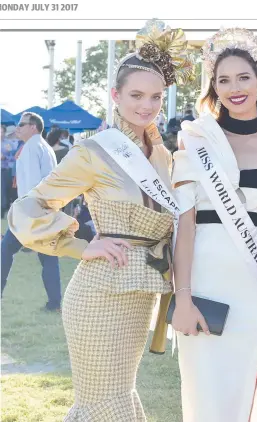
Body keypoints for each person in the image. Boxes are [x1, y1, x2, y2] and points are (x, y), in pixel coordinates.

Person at [7, 19, 194, 421]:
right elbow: (29, 207)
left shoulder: (161, 154)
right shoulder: (95, 151)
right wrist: (82, 245)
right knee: (102, 403)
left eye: (157, 97)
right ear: (115, 95)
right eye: (137, 95)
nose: (147, 106)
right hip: (99, 293)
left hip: (141, 293)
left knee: (119, 395)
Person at [170, 27, 257, 422]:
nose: (234, 88)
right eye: (223, 80)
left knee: (243, 397)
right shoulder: (196, 141)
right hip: (204, 285)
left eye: (243, 77)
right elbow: (186, 225)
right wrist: (184, 296)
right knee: (203, 398)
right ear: (214, 87)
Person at [1, 112, 62, 312]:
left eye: (21, 124)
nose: (17, 128)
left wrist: (25, 215)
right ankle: (54, 302)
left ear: (33, 127)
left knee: (5, 251)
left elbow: (32, 185)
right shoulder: (45, 147)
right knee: (48, 257)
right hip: (45, 211)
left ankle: (54, 302)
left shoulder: (31, 148)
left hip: (31, 212)